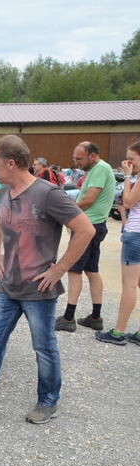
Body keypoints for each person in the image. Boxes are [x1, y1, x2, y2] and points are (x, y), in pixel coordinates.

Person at [0, 135, 94, 424]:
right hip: (9, 286)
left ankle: (48, 402)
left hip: (39, 288)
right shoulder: (5, 191)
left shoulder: (48, 194)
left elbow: (85, 230)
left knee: (44, 347)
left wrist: (59, 270)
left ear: (12, 163)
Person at [55, 141, 116, 333]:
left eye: (79, 158)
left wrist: (66, 213)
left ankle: (68, 318)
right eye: (74, 158)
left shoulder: (99, 169)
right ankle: (95, 317)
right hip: (96, 225)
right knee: (92, 271)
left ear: (92, 155)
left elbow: (89, 200)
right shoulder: (99, 169)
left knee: (74, 271)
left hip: (87, 226)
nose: (76, 162)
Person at [96, 142, 140, 345]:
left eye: (132, 158)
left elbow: (128, 202)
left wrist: (129, 175)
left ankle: (118, 331)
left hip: (135, 235)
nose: (128, 163)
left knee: (129, 285)